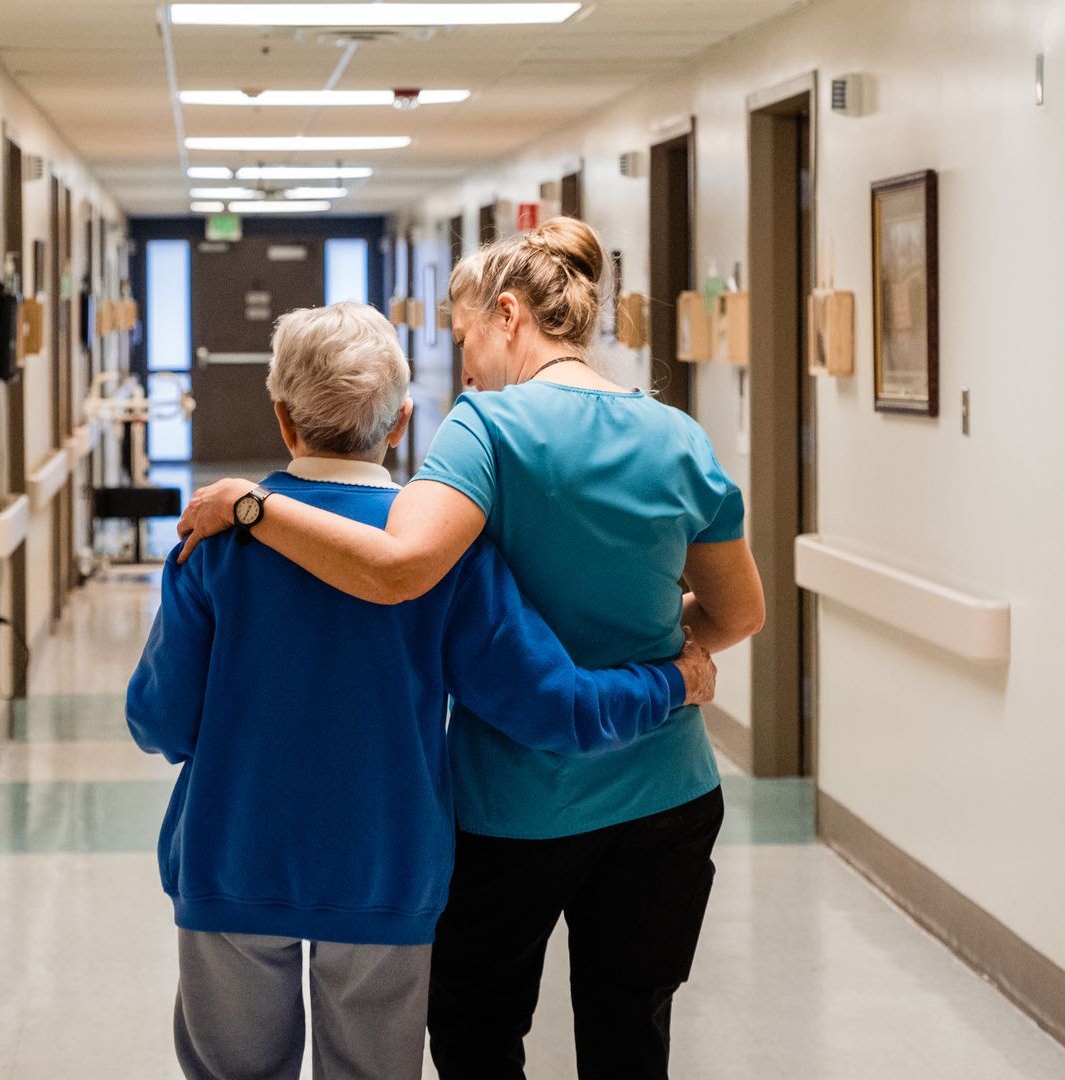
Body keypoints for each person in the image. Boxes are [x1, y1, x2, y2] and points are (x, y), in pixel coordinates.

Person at [175, 219, 767, 1078]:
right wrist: (664, 669)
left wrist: (252, 505)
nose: (466, 366)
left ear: (508, 313)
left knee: (477, 1032)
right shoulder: (678, 436)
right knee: (631, 1034)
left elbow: (400, 565)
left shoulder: (486, 428)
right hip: (665, 792)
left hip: (516, 803)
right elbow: (738, 612)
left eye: (463, 340)